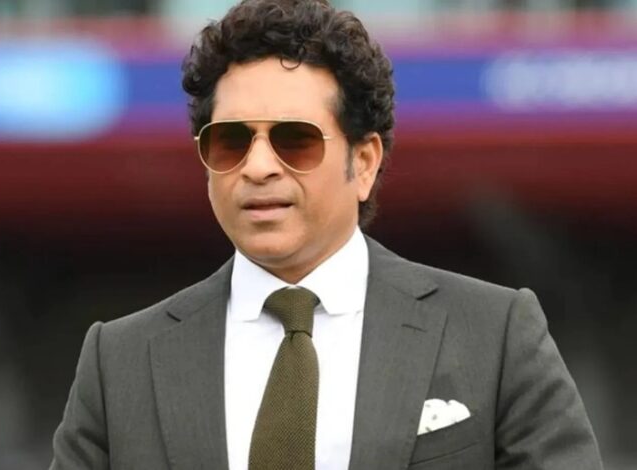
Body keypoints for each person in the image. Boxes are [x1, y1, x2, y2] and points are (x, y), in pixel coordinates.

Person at [50, 1, 603, 468]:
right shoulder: (118, 362)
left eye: (294, 139)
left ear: (363, 162)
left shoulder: (495, 335)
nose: (257, 167)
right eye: (230, 142)